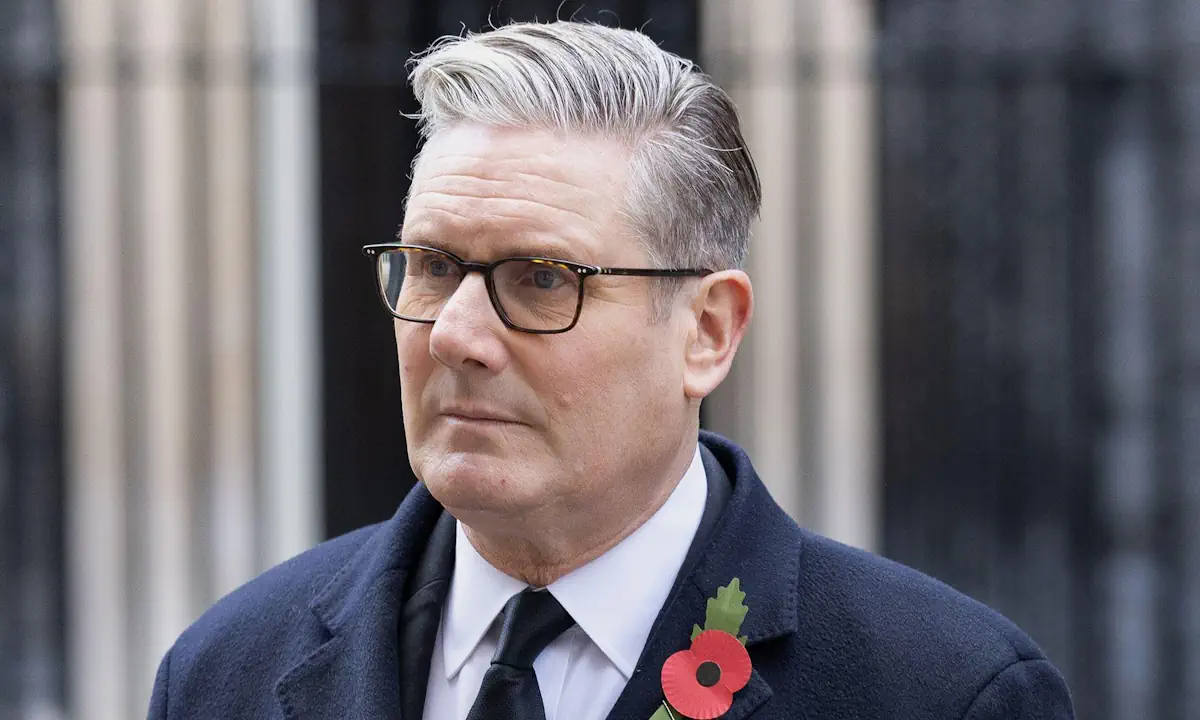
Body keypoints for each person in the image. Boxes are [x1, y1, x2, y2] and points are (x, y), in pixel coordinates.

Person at [147, 20, 1074, 720]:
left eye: (543, 278)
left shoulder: (943, 691)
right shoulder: (225, 672)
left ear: (707, 331)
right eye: (431, 267)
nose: (455, 335)